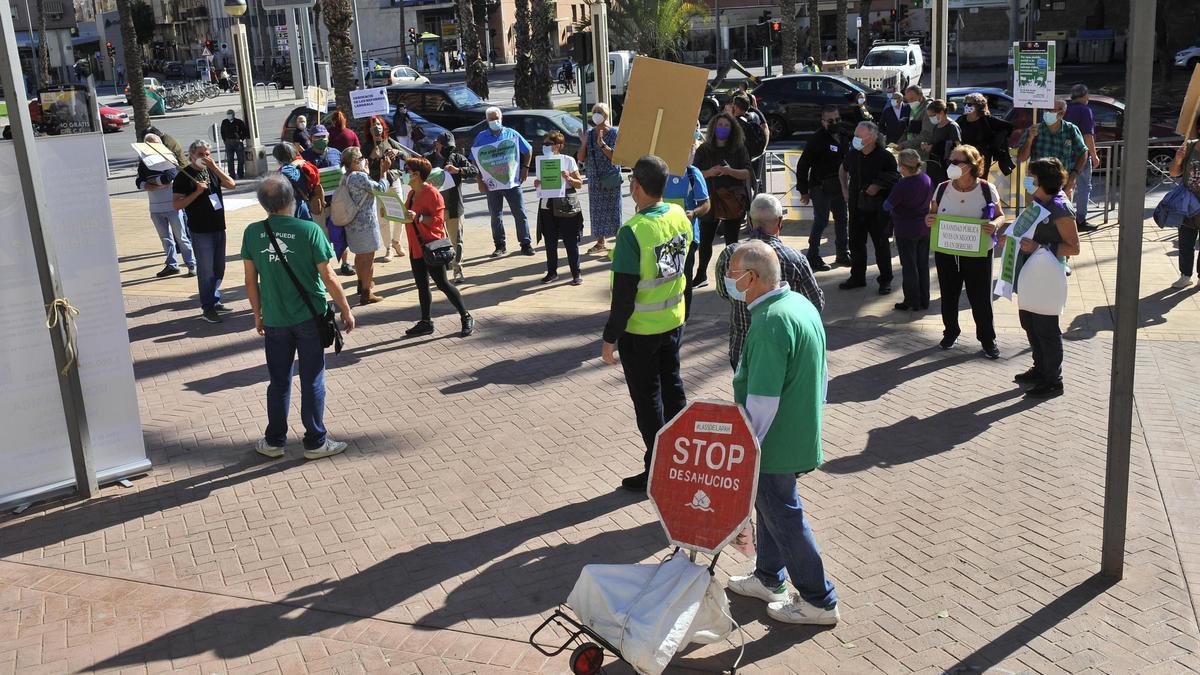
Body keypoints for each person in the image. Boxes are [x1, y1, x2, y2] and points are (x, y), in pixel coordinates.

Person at [723, 240, 839, 626]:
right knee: (771, 511)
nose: (728, 282)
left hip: (772, 445)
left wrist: (745, 452)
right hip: (797, 433)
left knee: (784, 517)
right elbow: (822, 375)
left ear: (751, 278)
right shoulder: (800, 306)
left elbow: (762, 399)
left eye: (732, 274)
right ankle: (769, 578)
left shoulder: (769, 323)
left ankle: (818, 600)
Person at [241, 174, 355, 461]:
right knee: (312, 378)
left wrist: (258, 314)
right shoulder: (309, 230)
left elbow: (250, 281)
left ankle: (274, 440)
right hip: (310, 317)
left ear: (263, 203)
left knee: (278, 381)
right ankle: (315, 440)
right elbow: (328, 276)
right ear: (291, 199)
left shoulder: (253, 233)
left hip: (275, 319)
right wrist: (346, 309)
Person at [600, 155, 692, 493]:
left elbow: (624, 297)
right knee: (673, 389)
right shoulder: (680, 215)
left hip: (640, 332)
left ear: (636, 186)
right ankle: (682, 458)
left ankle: (658, 467)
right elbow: (684, 270)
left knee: (648, 400)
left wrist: (610, 339)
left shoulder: (632, 232)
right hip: (673, 322)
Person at [999, 157, 1080, 398]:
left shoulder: (1060, 208)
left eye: (1031, 177)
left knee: (1046, 329)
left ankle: (1053, 380)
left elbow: (1073, 247)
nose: (1027, 181)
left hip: (1047, 275)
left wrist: (1039, 247)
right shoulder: (1038, 201)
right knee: (1030, 323)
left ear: (1042, 181)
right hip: (1030, 273)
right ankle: (1040, 368)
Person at [715, 194, 824, 369]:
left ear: (750, 222)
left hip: (742, 350)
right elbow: (814, 305)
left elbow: (723, 292)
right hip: (785, 351)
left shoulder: (729, 255)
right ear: (780, 221)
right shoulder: (795, 259)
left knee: (745, 396)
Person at [925, 144, 1004, 358]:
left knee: (980, 298)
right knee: (948, 294)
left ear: (970, 166)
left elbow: (1000, 215)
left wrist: (995, 225)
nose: (950, 165)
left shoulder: (987, 188)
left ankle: (987, 340)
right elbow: (931, 215)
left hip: (978, 252)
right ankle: (951, 332)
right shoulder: (942, 188)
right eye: (950, 160)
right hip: (947, 251)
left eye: (955, 161)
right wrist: (929, 219)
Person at [401, 157, 475, 337]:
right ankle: (426, 322)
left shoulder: (433, 193)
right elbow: (406, 215)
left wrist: (417, 217)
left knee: (442, 283)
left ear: (417, 175)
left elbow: (437, 221)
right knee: (422, 286)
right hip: (415, 247)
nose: (405, 174)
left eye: (407, 170)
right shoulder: (411, 193)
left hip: (431, 246)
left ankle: (466, 316)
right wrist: (390, 213)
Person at [172, 140, 236, 323]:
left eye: (207, 154)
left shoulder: (211, 169)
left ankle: (214, 300)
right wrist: (197, 192)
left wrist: (215, 167)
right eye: (201, 154)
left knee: (219, 268)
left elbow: (231, 185)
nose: (205, 157)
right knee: (206, 271)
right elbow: (176, 204)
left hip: (218, 226)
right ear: (191, 155)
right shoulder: (184, 176)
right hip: (200, 230)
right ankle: (207, 307)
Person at [693, 111, 753, 288]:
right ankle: (701, 273)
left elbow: (747, 173)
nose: (723, 128)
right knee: (706, 240)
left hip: (732, 200)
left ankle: (732, 275)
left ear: (732, 129)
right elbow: (694, 173)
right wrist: (710, 172)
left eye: (726, 126)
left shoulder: (738, 148)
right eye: (720, 125)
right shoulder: (704, 149)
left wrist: (729, 171)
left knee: (731, 241)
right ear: (713, 127)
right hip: (710, 200)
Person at [839, 121, 898, 294]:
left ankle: (885, 280)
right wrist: (844, 189)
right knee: (856, 244)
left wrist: (878, 186)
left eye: (858, 136)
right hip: (856, 207)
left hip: (878, 209)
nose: (855, 139)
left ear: (871, 137)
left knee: (881, 245)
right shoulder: (853, 154)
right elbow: (843, 169)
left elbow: (894, 177)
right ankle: (857, 277)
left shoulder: (885, 157)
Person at [663, 127, 711, 318]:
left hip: (687, 237)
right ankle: (667, 312)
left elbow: (706, 204)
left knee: (684, 276)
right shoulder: (661, 172)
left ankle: (684, 316)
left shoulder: (693, 174)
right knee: (666, 275)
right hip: (664, 235)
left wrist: (694, 212)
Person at [796, 106, 851, 271]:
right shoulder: (817, 140)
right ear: (823, 122)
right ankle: (812, 256)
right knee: (821, 222)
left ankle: (842, 253)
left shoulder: (844, 135)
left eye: (837, 119)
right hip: (820, 187)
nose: (835, 123)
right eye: (831, 121)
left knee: (843, 220)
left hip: (839, 186)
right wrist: (804, 191)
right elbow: (802, 165)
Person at [473, 106, 534, 256]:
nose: (494, 121)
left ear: (501, 119)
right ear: (486, 120)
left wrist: (525, 168)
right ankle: (500, 245)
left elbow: (528, 150)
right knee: (495, 215)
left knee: (520, 213)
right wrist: (479, 180)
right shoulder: (481, 137)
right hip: (491, 183)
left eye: (496, 118)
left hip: (512, 182)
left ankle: (526, 243)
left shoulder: (511, 134)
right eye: (491, 119)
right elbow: (474, 159)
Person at [137, 132, 195, 278]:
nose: (152, 147)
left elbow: (169, 176)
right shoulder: (144, 161)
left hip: (173, 206)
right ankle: (172, 265)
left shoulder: (168, 158)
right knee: (165, 238)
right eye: (149, 144)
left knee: (181, 237)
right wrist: (150, 184)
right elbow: (139, 180)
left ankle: (191, 264)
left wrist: (152, 182)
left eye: (155, 143)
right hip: (155, 207)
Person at [425, 131, 478, 284]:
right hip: (436, 208)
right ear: (437, 145)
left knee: (456, 240)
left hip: (454, 206)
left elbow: (474, 170)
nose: (448, 150)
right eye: (444, 146)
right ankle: (436, 269)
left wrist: (459, 170)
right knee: (436, 240)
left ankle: (457, 269)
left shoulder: (457, 158)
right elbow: (415, 167)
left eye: (450, 147)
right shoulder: (430, 158)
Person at [338, 147, 389, 305]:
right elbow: (380, 189)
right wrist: (384, 172)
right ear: (354, 161)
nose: (364, 160)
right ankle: (367, 292)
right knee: (369, 258)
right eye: (361, 158)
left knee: (360, 257)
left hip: (351, 224)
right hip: (366, 224)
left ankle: (361, 284)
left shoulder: (345, 177)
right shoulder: (359, 176)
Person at [884, 149, 933, 312]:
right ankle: (924, 299)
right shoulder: (926, 178)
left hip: (905, 229)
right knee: (922, 265)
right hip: (924, 228)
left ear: (904, 166)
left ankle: (912, 300)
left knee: (909, 267)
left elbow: (887, 205)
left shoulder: (903, 185)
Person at [301, 125, 353, 277]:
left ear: (328, 137)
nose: (321, 140)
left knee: (341, 233)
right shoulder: (304, 157)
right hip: (317, 205)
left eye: (323, 137)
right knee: (321, 236)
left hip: (337, 203)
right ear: (311, 138)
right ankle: (325, 267)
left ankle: (345, 263)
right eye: (317, 137)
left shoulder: (336, 153)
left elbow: (345, 173)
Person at [535, 131, 585, 285]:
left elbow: (579, 184)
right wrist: (537, 184)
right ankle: (552, 272)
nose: (545, 146)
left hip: (566, 206)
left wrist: (568, 178)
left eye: (548, 144)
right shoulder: (541, 161)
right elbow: (539, 183)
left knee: (570, 241)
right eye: (544, 144)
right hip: (547, 205)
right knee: (549, 241)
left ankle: (576, 273)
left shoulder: (568, 160)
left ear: (557, 146)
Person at [1016, 99, 1088, 199]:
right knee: (1036, 214)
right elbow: (1021, 158)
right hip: (1036, 187)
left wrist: (1073, 176)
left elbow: (1083, 153)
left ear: (1062, 113)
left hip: (1062, 186)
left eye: (1051, 110)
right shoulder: (1034, 130)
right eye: (1046, 109)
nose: (1047, 112)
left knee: (1062, 214)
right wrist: (1030, 139)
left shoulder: (1071, 129)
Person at [578, 103, 622, 254]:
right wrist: (583, 144)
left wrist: (602, 145)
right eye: (594, 111)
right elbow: (581, 158)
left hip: (610, 178)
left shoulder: (614, 133)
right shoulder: (590, 133)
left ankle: (619, 243)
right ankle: (600, 242)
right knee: (596, 211)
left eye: (599, 111)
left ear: (606, 114)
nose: (596, 114)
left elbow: (616, 158)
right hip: (595, 179)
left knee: (613, 210)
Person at [362, 115, 405, 262]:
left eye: (379, 124)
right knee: (382, 217)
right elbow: (362, 167)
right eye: (373, 126)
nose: (377, 128)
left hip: (394, 181)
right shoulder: (366, 146)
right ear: (369, 129)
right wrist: (372, 157)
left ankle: (396, 241)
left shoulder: (389, 141)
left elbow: (406, 155)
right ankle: (388, 248)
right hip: (378, 184)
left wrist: (397, 152)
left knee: (400, 213)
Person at [1064, 84, 1101, 232]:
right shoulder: (1085, 110)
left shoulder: (1066, 109)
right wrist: (1094, 155)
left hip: (1065, 154)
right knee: (1084, 187)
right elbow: (1087, 136)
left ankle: (1064, 218)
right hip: (1081, 156)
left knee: (1066, 187)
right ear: (1085, 95)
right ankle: (1080, 220)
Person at [1169, 119, 1200, 288]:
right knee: (1186, 242)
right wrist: (1178, 159)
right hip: (1188, 204)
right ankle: (1185, 275)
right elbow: (1174, 172)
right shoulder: (1189, 147)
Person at [957, 92, 1014, 180]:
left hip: (982, 158)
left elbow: (1008, 127)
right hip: (964, 157)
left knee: (979, 182)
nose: (966, 106)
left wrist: (995, 144)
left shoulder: (988, 120)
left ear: (978, 106)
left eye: (969, 104)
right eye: (965, 104)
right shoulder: (961, 120)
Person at [730, 93, 770, 193]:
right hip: (756, 154)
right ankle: (760, 199)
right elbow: (765, 128)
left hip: (744, 158)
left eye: (733, 105)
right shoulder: (755, 115)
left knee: (744, 184)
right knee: (756, 181)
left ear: (737, 107)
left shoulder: (736, 122)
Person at [272, 143, 320, 222]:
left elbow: (286, 172)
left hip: (296, 206)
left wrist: (294, 164)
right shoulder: (298, 167)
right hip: (299, 204)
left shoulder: (294, 170)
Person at [922, 99, 960, 185]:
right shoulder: (936, 126)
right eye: (929, 116)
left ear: (942, 112)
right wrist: (927, 146)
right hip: (935, 164)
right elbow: (934, 142)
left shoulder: (952, 126)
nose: (931, 118)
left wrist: (935, 147)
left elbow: (957, 147)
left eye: (933, 115)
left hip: (947, 165)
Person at [900, 85, 934, 155]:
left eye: (912, 99)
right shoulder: (915, 107)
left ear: (920, 95)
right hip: (912, 149)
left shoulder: (928, 109)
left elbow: (926, 135)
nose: (910, 102)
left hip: (921, 152)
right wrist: (900, 143)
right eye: (908, 100)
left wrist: (904, 145)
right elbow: (911, 129)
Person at [219, 109, 249, 179]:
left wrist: (241, 138)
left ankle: (240, 173)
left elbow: (245, 131)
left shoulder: (239, 122)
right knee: (230, 159)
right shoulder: (224, 122)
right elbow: (222, 132)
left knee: (241, 159)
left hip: (237, 142)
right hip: (228, 143)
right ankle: (232, 174)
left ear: (233, 115)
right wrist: (224, 140)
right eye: (228, 114)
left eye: (230, 114)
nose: (229, 115)